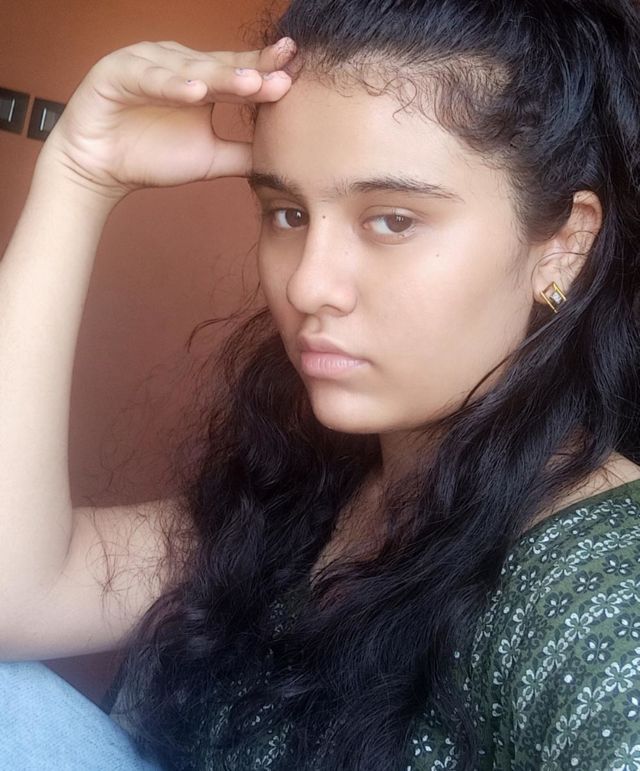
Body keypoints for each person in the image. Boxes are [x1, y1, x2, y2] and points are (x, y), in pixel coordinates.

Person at [1, 0, 640, 769]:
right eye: (287, 212)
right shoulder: (319, 486)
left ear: (564, 244)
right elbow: (17, 593)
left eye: (392, 220)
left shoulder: (596, 591)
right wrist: (77, 177)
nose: (307, 284)